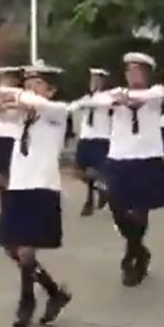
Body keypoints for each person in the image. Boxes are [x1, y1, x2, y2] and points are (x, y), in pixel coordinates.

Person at [0, 62, 72, 327]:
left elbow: (25, 100)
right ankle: (53, 291)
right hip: (19, 186)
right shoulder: (23, 116)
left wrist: (16, 95)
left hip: (42, 185)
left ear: (51, 90)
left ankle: (26, 303)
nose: (30, 89)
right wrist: (3, 102)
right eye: (27, 84)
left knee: (26, 251)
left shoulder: (57, 112)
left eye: (37, 84)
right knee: (10, 247)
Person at [102, 52, 164, 287]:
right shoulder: (115, 94)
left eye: (138, 71)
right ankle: (139, 249)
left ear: (146, 74)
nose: (132, 75)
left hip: (147, 157)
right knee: (117, 208)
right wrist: (119, 97)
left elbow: (154, 95)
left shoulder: (156, 93)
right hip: (119, 156)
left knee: (140, 211)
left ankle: (132, 258)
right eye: (129, 71)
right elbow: (100, 100)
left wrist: (126, 97)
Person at [69, 68, 112, 217]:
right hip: (86, 137)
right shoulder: (86, 98)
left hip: (101, 138)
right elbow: (72, 107)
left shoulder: (107, 97)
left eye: (97, 80)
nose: (94, 83)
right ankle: (99, 191)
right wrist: (83, 103)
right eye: (92, 80)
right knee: (80, 172)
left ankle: (91, 200)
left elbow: (101, 103)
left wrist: (86, 103)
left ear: (103, 82)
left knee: (100, 171)